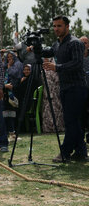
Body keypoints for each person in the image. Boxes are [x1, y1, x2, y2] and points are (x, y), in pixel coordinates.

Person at [41, 15, 88, 162]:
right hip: (65, 87)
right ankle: (80, 152)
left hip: (77, 87)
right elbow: (48, 52)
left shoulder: (75, 43)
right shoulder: (57, 44)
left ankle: (65, 152)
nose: (56, 29)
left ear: (67, 27)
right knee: (74, 121)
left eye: (59, 26)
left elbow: (77, 64)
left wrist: (57, 67)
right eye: (54, 26)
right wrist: (33, 48)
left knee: (70, 121)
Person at [3, 51, 22, 139]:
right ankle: (5, 133)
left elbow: (17, 75)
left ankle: (12, 132)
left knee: (12, 113)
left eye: (11, 57)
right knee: (4, 113)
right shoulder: (4, 66)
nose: (9, 58)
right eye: (8, 57)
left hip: (13, 92)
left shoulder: (18, 65)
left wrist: (9, 67)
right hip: (4, 92)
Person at [80, 36, 89, 141]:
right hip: (80, 90)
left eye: (85, 43)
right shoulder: (75, 58)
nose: (84, 45)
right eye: (81, 43)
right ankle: (80, 137)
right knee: (81, 115)